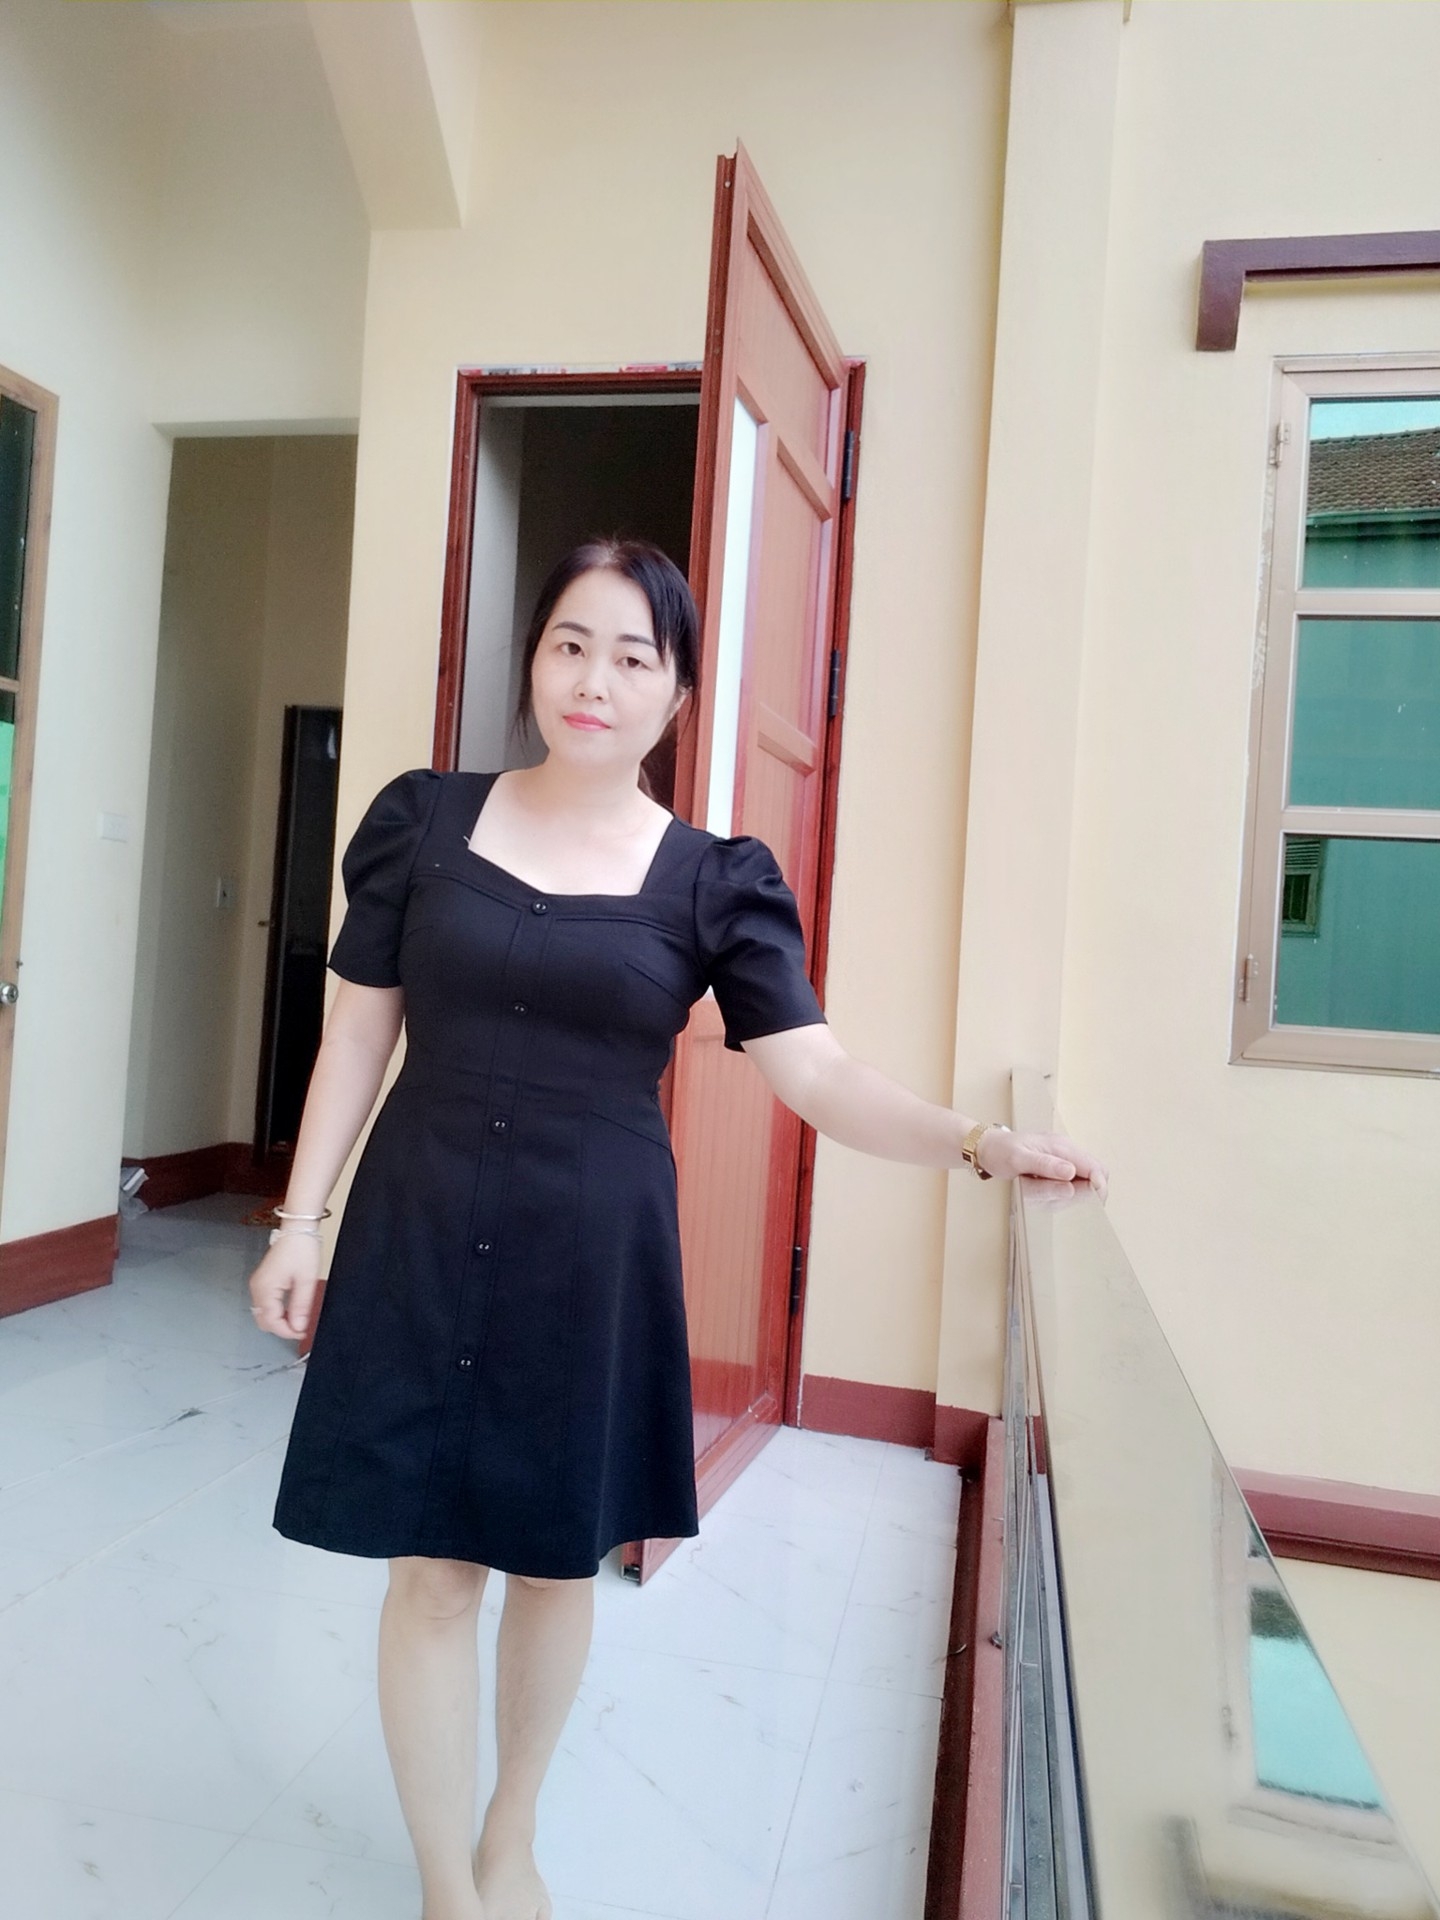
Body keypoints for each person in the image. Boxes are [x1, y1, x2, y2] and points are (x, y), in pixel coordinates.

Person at [249, 537, 1106, 1920]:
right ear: (534, 662)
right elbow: (358, 1031)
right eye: (569, 645)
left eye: (631, 657)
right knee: (428, 1570)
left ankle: (510, 1837)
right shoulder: (423, 820)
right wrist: (302, 1222)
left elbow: (815, 1074)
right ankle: (447, 1889)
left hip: (588, 1260)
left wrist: (976, 1143)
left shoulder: (714, 878)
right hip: (418, 1228)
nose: (593, 681)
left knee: (550, 1561)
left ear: (677, 692)